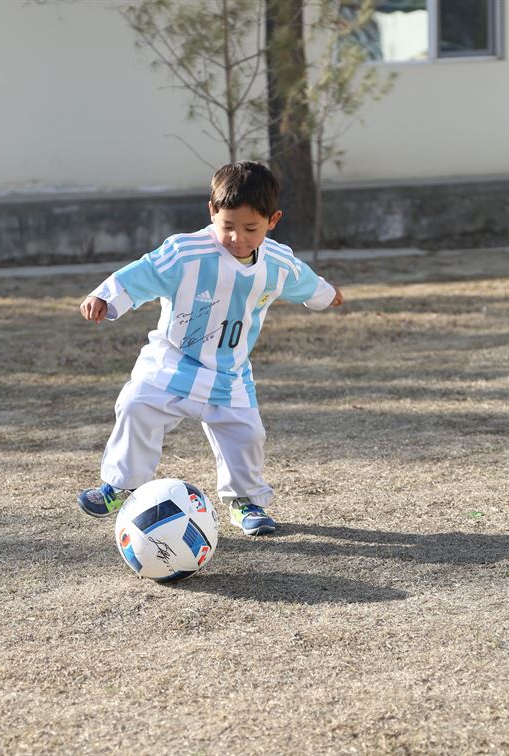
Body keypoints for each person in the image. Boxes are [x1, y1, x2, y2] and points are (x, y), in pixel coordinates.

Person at [78, 161, 343, 536]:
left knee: (246, 435)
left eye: (250, 228)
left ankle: (245, 502)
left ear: (273, 220)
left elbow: (305, 280)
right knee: (136, 406)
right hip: (172, 362)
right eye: (227, 226)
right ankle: (119, 486)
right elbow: (143, 272)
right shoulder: (186, 252)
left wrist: (327, 295)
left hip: (228, 372)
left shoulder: (277, 262)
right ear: (211, 213)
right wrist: (104, 296)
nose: (237, 237)